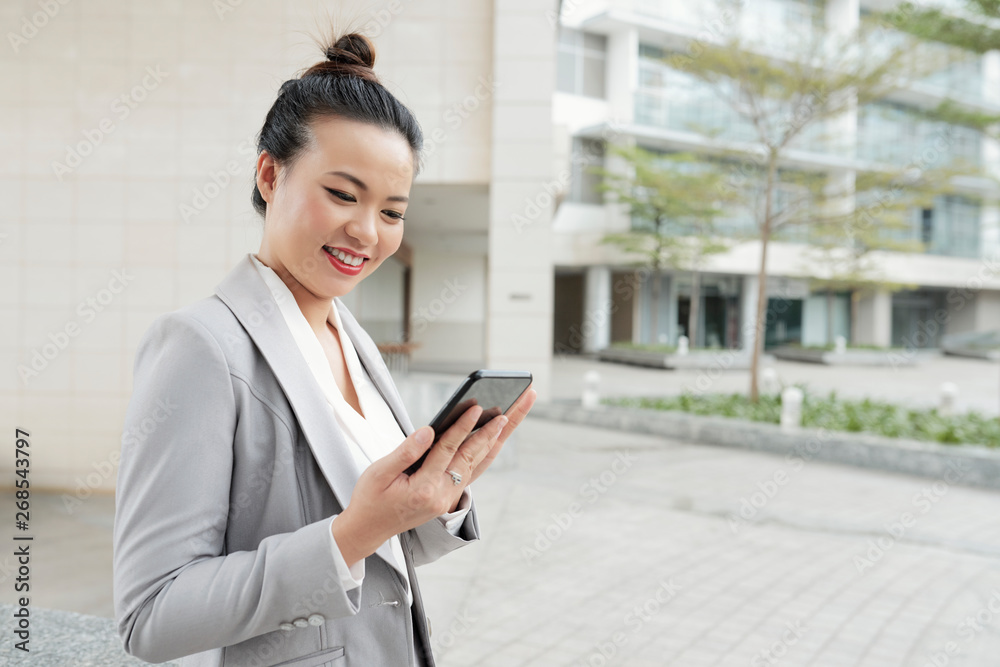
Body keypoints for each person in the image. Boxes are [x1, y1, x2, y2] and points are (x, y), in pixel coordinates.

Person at [112, 30, 537, 667]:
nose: (366, 232)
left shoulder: (351, 337)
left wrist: (433, 500)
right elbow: (151, 616)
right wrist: (353, 531)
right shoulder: (201, 346)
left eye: (393, 211)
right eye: (342, 194)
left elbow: (387, 558)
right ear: (269, 172)